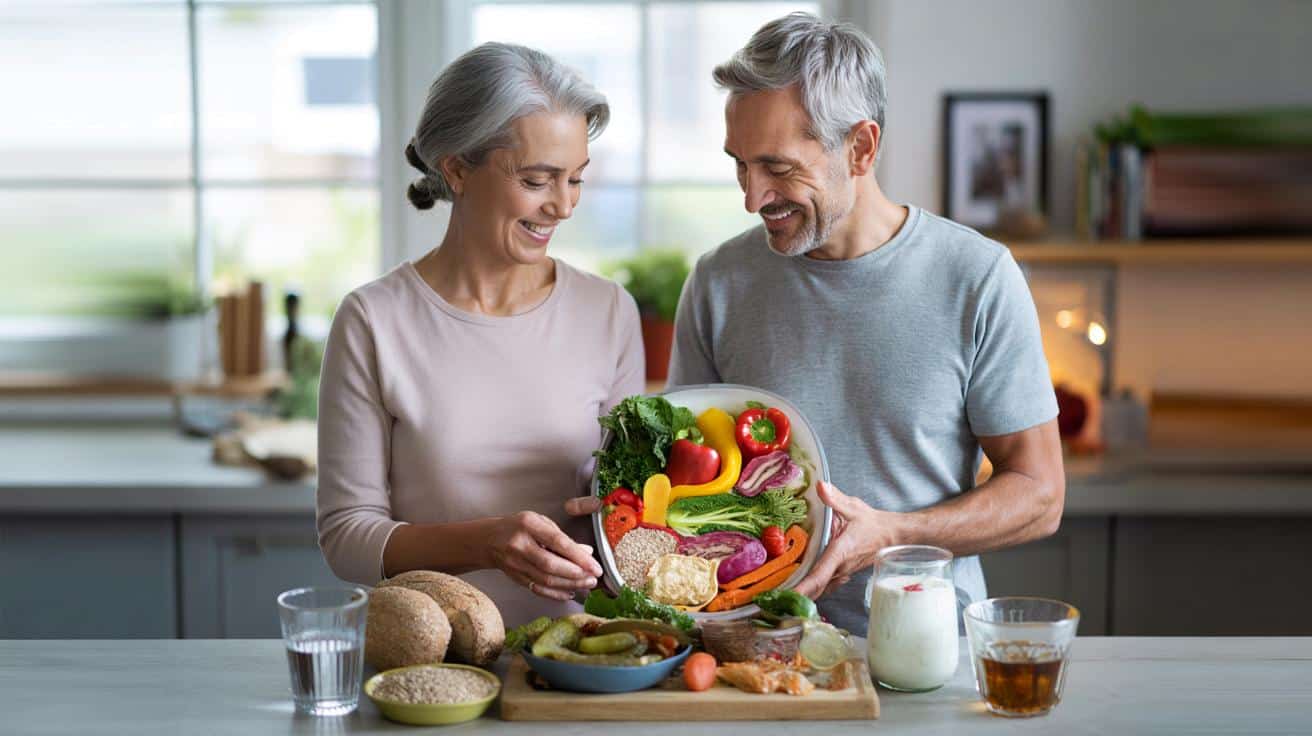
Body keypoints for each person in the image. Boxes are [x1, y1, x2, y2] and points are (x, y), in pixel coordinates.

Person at [667, 13, 1064, 633]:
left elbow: (1040, 496)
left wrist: (895, 535)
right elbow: (685, 477)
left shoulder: (977, 276)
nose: (752, 197)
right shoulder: (719, 282)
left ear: (860, 147)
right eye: (740, 165)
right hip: (749, 644)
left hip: (927, 645)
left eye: (778, 167)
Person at [316, 43, 642, 626]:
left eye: (575, 180)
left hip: (577, 660)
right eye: (538, 179)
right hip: (430, 658)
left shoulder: (608, 311)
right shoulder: (374, 321)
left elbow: (625, 508)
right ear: (457, 168)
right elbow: (347, 538)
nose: (562, 206)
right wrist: (483, 543)